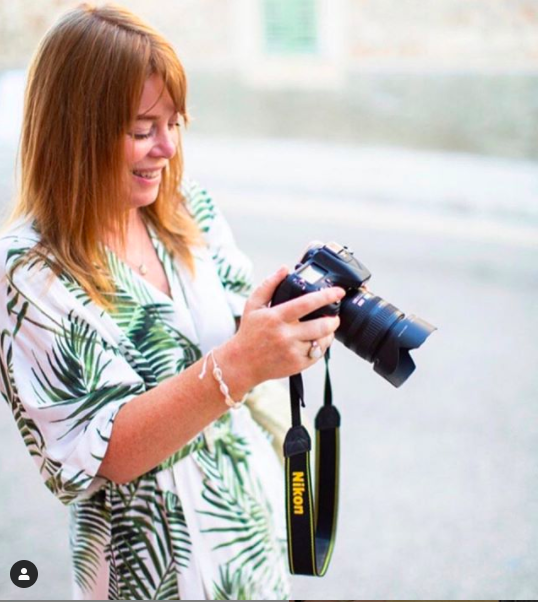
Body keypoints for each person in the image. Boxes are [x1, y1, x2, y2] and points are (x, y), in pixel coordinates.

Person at [0, 3, 344, 600]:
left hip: (245, 540)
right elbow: (103, 452)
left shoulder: (187, 211)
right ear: (74, 133)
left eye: (175, 123)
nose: (166, 147)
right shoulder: (28, 272)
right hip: (153, 574)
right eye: (141, 130)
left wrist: (291, 323)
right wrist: (240, 363)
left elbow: (242, 327)